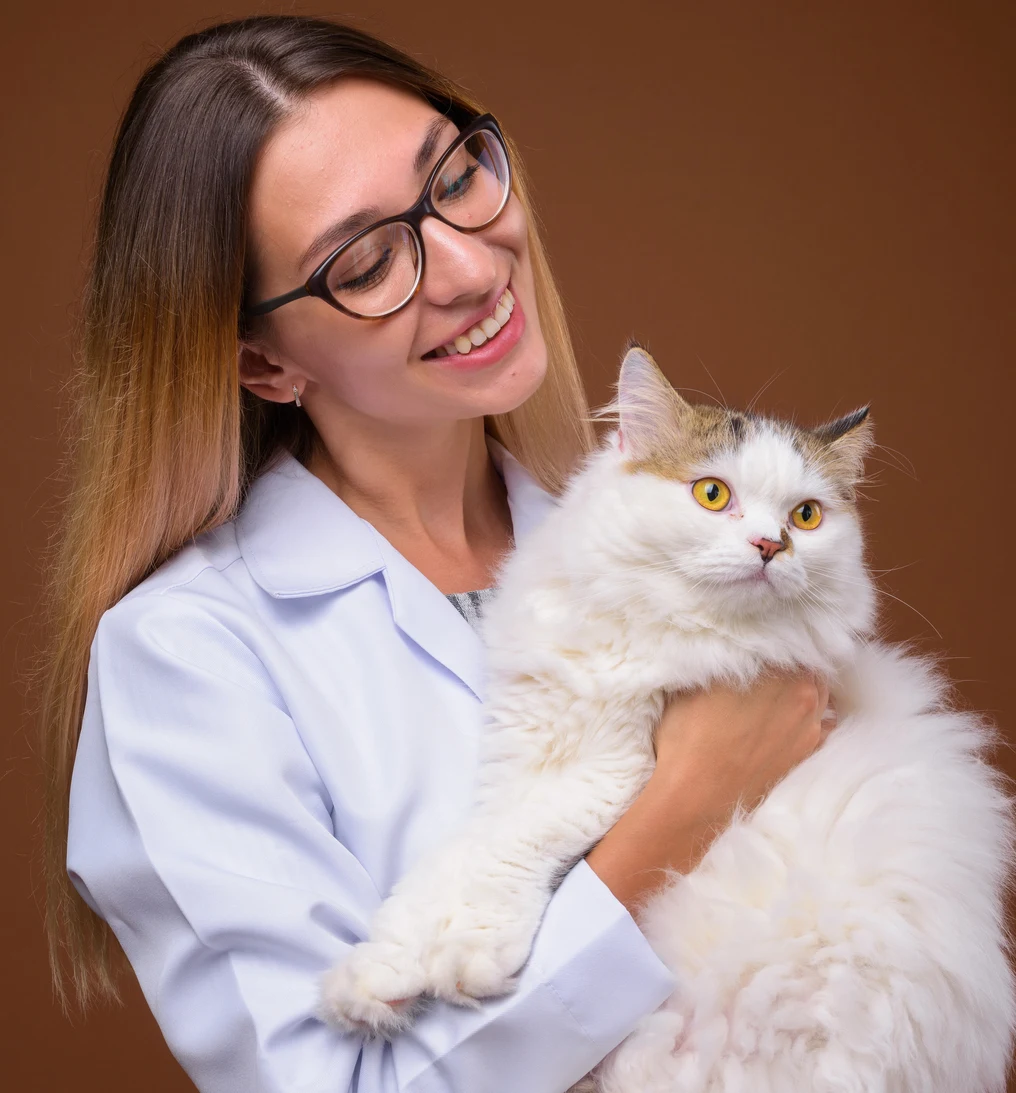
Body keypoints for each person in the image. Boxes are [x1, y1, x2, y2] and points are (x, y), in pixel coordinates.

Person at [40, 15, 833, 1092]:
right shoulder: (186, 653)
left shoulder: (674, 550)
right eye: (365, 260)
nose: (467, 265)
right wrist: (683, 805)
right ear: (263, 362)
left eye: (456, 177)